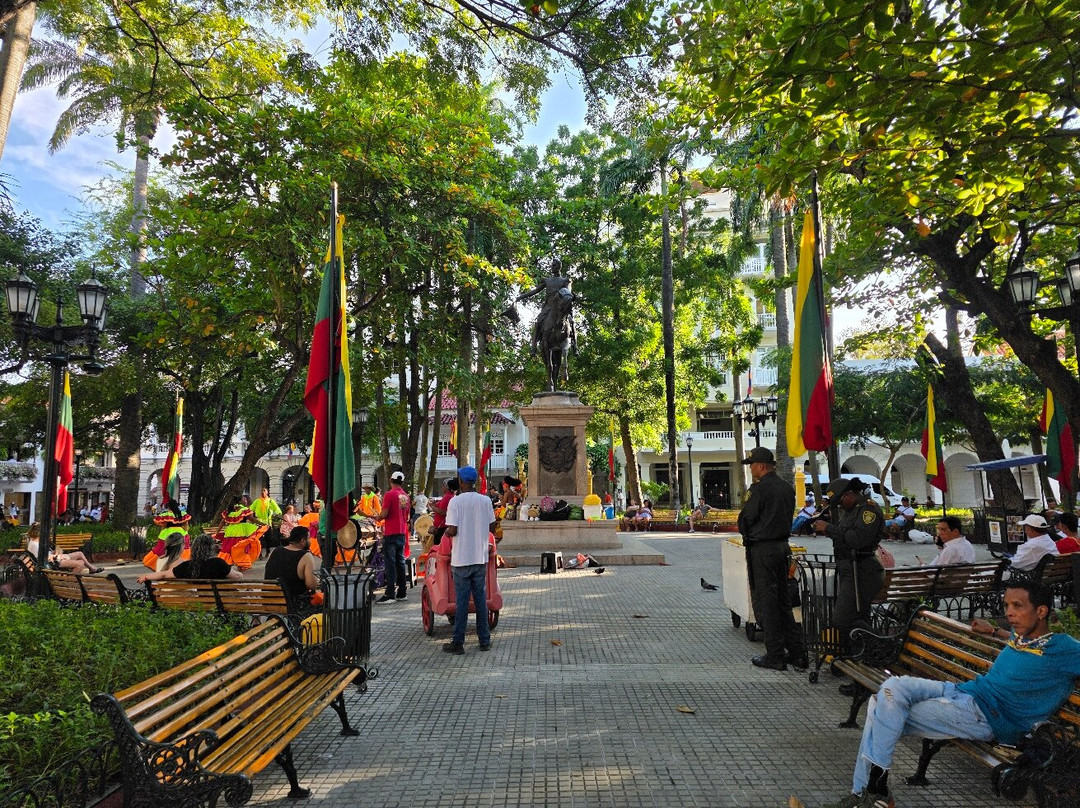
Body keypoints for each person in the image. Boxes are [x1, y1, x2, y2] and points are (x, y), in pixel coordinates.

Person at [824, 580, 1080, 808]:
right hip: (963, 692)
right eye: (1006, 605)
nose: (1009, 613)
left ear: (1042, 611)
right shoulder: (1023, 634)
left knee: (880, 704)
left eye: (1017, 606)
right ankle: (873, 794)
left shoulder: (1064, 648)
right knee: (892, 689)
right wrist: (993, 631)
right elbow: (1012, 637)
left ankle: (867, 794)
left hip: (987, 716)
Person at [737, 447, 806, 671]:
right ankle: (798, 653)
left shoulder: (759, 489)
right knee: (783, 602)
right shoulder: (787, 488)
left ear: (761, 466)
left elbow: (746, 518)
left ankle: (775, 654)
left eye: (752, 465)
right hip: (782, 548)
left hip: (763, 550)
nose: (751, 469)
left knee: (767, 603)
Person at [814, 477, 886, 656]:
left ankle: (881, 648)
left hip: (862, 569)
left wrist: (829, 528)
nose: (839, 506)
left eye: (840, 501)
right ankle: (861, 660)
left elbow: (858, 539)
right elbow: (846, 536)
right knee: (858, 617)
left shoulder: (868, 510)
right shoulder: (853, 510)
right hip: (850, 569)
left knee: (843, 619)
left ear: (848, 494)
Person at [442, 465, 497, 654]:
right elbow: (491, 526)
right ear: (474, 481)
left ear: (460, 481)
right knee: (480, 601)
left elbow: (453, 530)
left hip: (461, 559)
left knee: (462, 603)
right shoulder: (485, 500)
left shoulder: (455, 502)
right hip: (479, 557)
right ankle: (484, 641)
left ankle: (458, 642)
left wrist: (443, 531)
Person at [137, 533, 242, 583]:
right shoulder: (218, 563)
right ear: (211, 548)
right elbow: (236, 576)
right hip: (223, 600)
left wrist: (145, 576)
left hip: (202, 601)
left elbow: (164, 573)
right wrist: (239, 572)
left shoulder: (188, 565)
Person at [376, 471, 411, 604]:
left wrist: (377, 517)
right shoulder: (405, 496)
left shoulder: (390, 494)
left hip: (391, 533)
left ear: (391, 480)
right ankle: (402, 592)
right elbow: (406, 516)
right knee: (400, 563)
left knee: (390, 564)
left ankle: (390, 594)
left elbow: (384, 514)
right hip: (402, 532)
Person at [265, 525, 320, 607]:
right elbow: (311, 585)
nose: (310, 541)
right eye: (309, 538)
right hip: (293, 605)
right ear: (302, 541)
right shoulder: (306, 556)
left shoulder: (276, 551)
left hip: (270, 602)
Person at [25, 523, 102, 574]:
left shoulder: (35, 542)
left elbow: (44, 555)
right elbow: (45, 559)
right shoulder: (35, 544)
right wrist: (58, 555)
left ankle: (92, 569)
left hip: (54, 560)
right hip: (53, 563)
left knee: (79, 554)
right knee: (80, 563)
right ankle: (70, 581)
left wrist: (55, 553)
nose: (48, 535)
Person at [429, 477, 458, 547]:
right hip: (442, 527)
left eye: (443, 485)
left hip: (442, 528)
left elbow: (443, 512)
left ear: (446, 487)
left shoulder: (447, 497)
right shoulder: (449, 496)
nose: (442, 487)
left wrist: (432, 507)